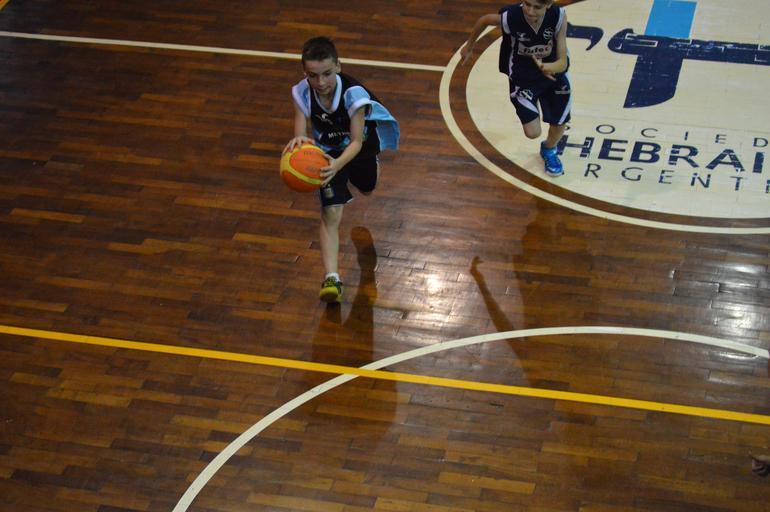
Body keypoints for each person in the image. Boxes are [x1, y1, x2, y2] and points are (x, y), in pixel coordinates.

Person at [283, 36, 399, 303]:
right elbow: (301, 134)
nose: (320, 82)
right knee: (330, 213)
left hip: (359, 148)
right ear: (305, 72)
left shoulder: (353, 95)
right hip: (327, 153)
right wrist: (298, 146)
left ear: (338, 66)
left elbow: (356, 142)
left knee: (367, 188)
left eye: (326, 74)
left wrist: (339, 165)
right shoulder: (301, 92)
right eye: (313, 76)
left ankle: (369, 172)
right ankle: (332, 278)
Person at [461, 0, 571, 177]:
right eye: (527, 4)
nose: (530, 11)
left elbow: (563, 61)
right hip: (523, 76)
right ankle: (530, 107)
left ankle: (549, 149)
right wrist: (469, 45)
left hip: (553, 75)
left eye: (537, 7)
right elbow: (484, 20)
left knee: (559, 122)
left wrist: (548, 67)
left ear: (548, 5)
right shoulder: (511, 16)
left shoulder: (558, 16)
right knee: (532, 132)